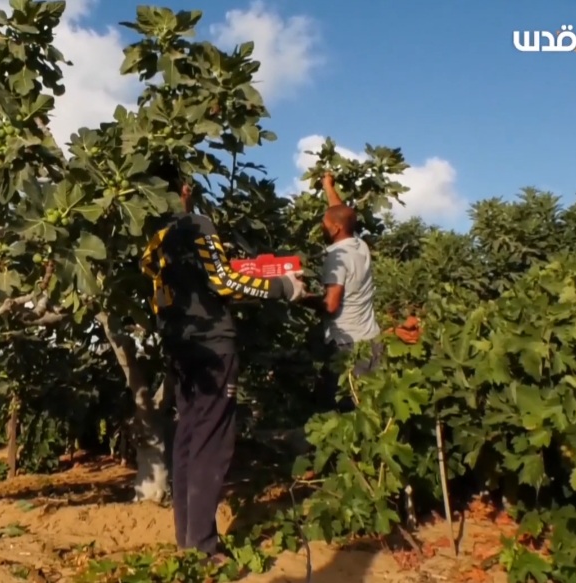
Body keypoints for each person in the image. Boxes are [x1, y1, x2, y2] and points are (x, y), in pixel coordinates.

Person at [140, 160, 306, 562]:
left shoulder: (154, 241)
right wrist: (284, 286)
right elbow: (223, 281)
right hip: (214, 346)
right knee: (211, 443)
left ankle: (188, 539)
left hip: (180, 347)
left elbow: (184, 293)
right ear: (182, 190)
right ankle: (204, 546)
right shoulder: (197, 225)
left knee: (188, 438)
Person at [302, 172, 419, 413]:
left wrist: (300, 296)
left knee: (341, 413)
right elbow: (340, 212)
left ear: (335, 229)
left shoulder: (336, 257)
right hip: (371, 342)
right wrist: (328, 186)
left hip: (347, 347)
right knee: (370, 409)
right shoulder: (359, 245)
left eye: (324, 224)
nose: (322, 227)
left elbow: (331, 305)